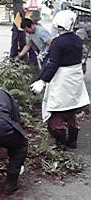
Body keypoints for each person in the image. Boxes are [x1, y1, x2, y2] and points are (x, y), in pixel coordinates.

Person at [30, 10, 90, 149]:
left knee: (56, 110)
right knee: (70, 109)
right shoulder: (76, 39)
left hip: (61, 79)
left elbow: (53, 64)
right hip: (75, 79)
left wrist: (42, 81)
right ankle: (73, 141)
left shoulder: (58, 42)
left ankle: (60, 143)